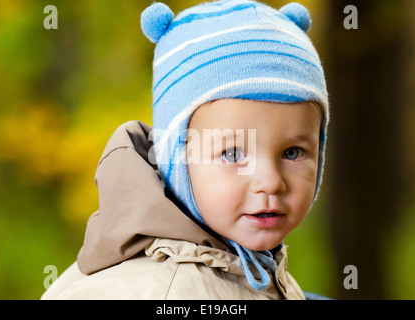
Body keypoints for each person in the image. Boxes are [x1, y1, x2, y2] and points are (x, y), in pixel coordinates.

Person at [41, 0, 328, 300]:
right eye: (232, 154)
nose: (271, 181)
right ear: (177, 158)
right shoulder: (157, 293)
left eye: (293, 153)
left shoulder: (254, 271)